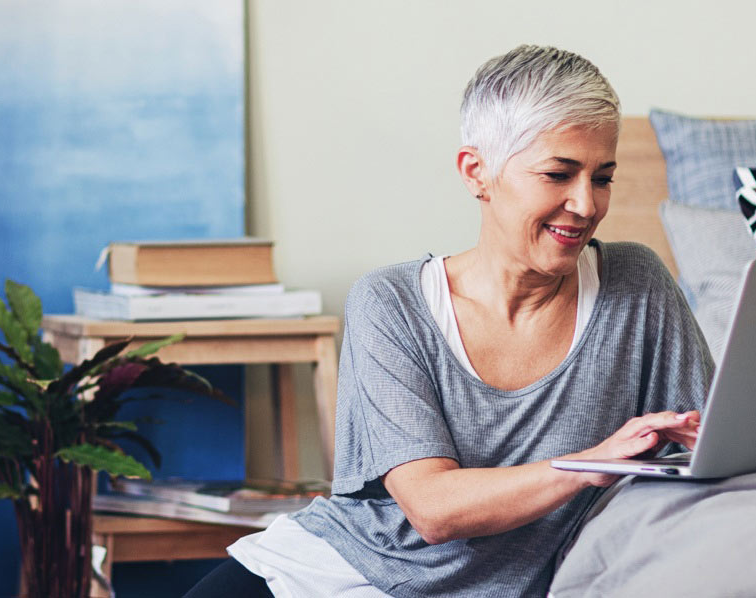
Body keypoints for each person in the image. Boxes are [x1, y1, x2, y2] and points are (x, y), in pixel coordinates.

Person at [184, 44, 713, 598]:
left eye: (602, 178)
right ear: (476, 172)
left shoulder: (637, 283)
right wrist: (590, 464)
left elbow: (714, 445)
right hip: (353, 572)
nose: (585, 204)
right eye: (559, 174)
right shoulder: (391, 303)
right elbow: (432, 510)